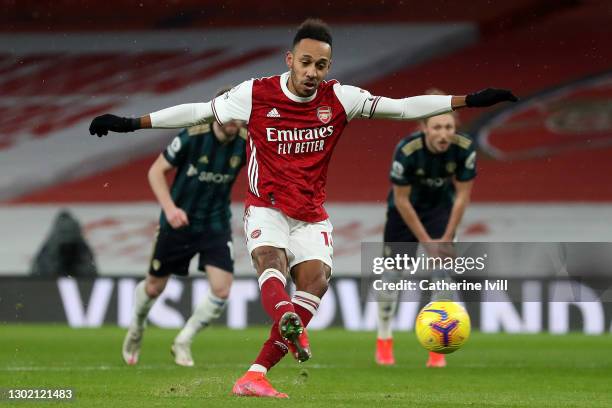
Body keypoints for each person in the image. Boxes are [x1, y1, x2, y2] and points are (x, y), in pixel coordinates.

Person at [89, 19, 517, 398]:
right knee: (269, 261)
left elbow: (404, 107)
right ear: (290, 59)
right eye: (306, 62)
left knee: (316, 281)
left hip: (311, 213)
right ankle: (287, 320)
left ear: (328, 67)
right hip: (266, 207)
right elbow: (199, 112)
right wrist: (131, 123)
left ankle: (255, 375)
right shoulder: (255, 94)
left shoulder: (341, 99)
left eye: (321, 65)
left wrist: (470, 100)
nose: (313, 72)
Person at [122, 88, 246, 367]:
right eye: (227, 115)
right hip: (179, 222)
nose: (233, 122)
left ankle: (183, 340)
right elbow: (155, 171)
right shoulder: (192, 135)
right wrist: (170, 209)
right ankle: (136, 327)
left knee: (222, 290)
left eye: (238, 117)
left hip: (215, 223)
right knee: (154, 288)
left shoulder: (245, 143)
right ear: (215, 111)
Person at [376, 93, 476, 368]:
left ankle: (438, 347)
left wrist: (445, 237)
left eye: (448, 127)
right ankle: (384, 338)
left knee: (442, 276)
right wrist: (426, 241)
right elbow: (402, 199)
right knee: (391, 277)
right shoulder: (407, 151)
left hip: (440, 211)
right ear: (423, 128)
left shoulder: (465, 147)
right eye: (437, 128)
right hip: (403, 213)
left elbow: (463, 196)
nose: (444, 134)